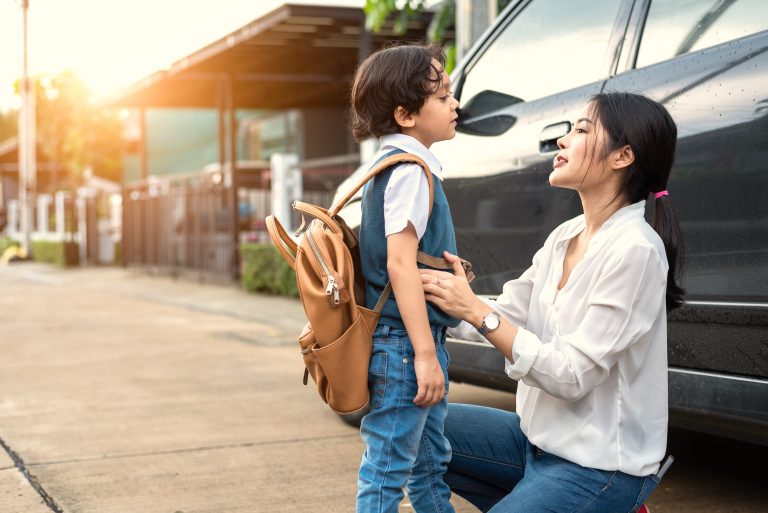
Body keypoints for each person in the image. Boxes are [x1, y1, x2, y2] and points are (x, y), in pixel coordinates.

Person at [420, 92, 684, 513]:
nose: (563, 140)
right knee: (413, 429)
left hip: (599, 470)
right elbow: (505, 311)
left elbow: (570, 375)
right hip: (534, 443)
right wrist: (432, 295)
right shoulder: (565, 236)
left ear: (622, 156)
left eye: (582, 130)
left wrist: (475, 310)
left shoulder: (636, 251)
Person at [348, 43, 461, 513]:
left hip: (407, 340)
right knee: (388, 472)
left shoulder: (392, 168)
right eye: (443, 96)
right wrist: (424, 354)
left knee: (430, 464)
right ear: (405, 113)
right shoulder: (411, 172)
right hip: (403, 345)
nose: (455, 104)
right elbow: (400, 264)